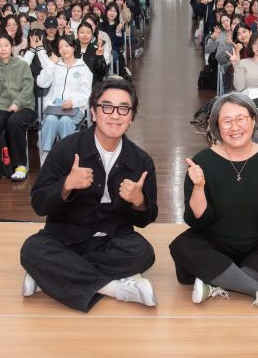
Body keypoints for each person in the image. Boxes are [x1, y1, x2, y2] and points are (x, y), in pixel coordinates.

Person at [20, 76, 158, 312]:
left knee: (143, 253)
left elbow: (146, 219)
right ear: (93, 112)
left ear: (132, 116)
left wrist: (139, 202)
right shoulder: (66, 149)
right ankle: (114, 288)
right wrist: (65, 186)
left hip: (112, 239)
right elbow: (39, 203)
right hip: (65, 236)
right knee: (32, 249)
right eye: (107, 107)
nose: (115, 115)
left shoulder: (140, 160)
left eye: (123, 109)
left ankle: (52, 276)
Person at [169, 93, 258, 316]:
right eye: (226, 121)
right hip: (216, 242)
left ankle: (215, 282)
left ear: (253, 120)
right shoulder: (201, 161)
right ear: (217, 126)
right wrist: (198, 187)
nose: (234, 127)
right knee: (182, 246)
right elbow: (197, 221)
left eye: (241, 119)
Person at [0, 34, 36, 181]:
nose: (3, 48)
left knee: (14, 122)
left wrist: (17, 103)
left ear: (12, 47)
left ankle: (20, 166)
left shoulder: (22, 65)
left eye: (6, 45)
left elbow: (28, 88)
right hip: (1, 106)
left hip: (24, 106)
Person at [36, 35, 93, 166]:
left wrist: (73, 101)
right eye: (60, 46)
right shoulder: (55, 65)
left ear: (74, 47)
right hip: (54, 106)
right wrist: (50, 64)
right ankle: (46, 153)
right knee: (50, 120)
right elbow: (42, 83)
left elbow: (86, 93)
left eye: (67, 45)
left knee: (65, 121)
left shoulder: (83, 67)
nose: (64, 49)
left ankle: (68, 157)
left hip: (74, 107)